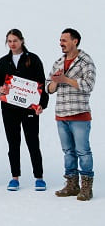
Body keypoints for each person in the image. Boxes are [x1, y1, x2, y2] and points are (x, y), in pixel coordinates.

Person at [0, 29, 49, 191]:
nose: (12, 44)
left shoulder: (33, 59)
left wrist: (42, 104)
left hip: (29, 108)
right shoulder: (3, 62)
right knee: (13, 143)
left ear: (22, 41)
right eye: (9, 41)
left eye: (15, 40)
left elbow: (41, 84)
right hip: (9, 109)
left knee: (32, 142)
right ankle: (14, 177)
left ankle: (39, 177)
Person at [46, 28, 96, 201]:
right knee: (68, 151)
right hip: (61, 115)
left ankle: (86, 187)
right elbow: (48, 88)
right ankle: (72, 185)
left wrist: (65, 79)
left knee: (83, 151)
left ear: (75, 41)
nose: (61, 43)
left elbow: (89, 85)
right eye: (60, 40)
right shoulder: (58, 62)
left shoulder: (85, 61)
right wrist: (55, 81)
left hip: (79, 114)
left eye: (64, 40)